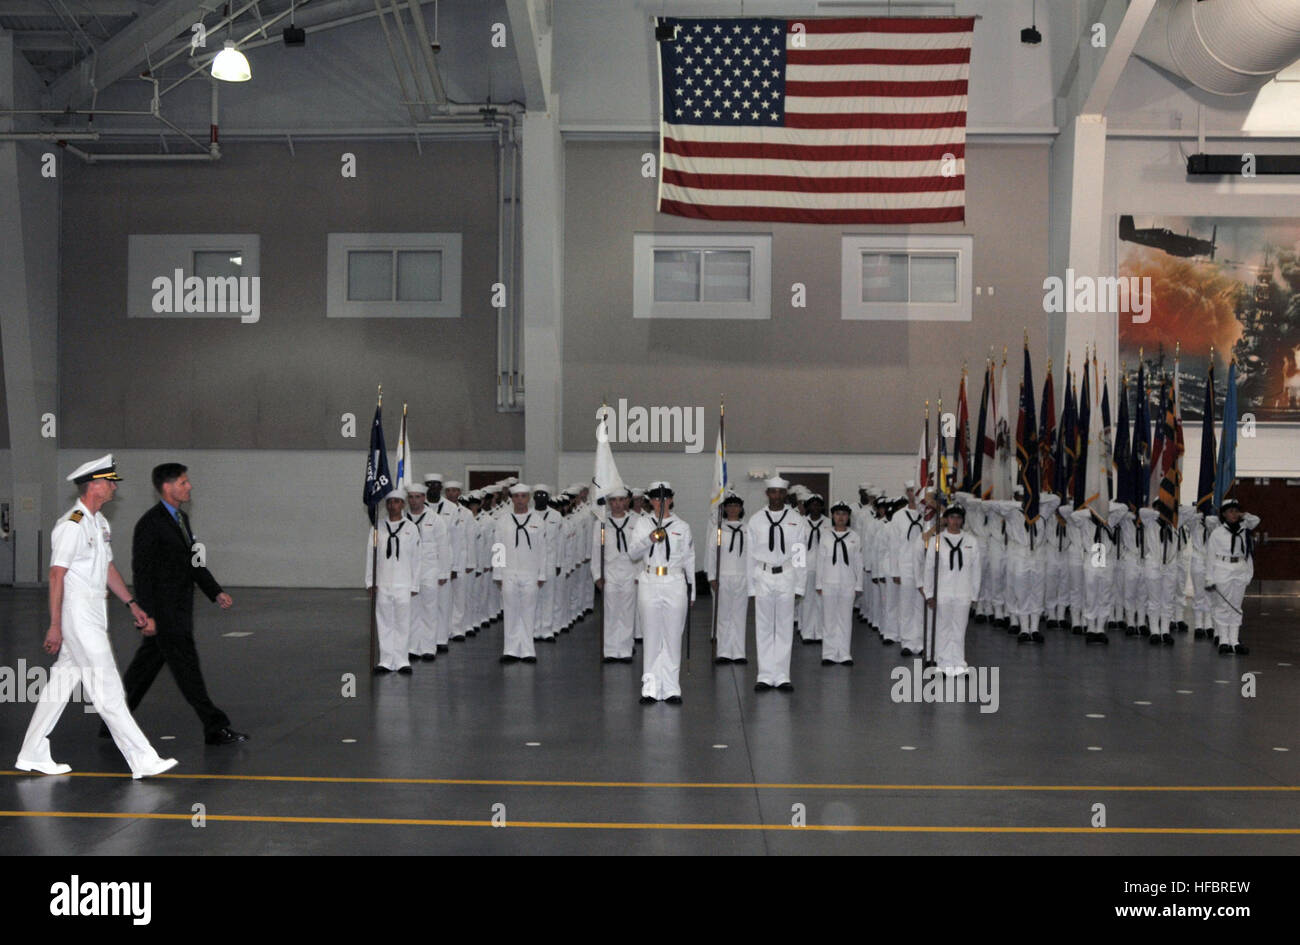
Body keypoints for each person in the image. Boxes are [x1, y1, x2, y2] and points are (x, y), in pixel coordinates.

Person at [17, 455, 178, 779]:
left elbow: (106, 568)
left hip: (93, 611)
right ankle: (142, 758)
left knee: (60, 684)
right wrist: (54, 624)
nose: (114, 486)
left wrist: (132, 603)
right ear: (94, 485)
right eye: (110, 481)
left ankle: (32, 751)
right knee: (108, 689)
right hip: (77, 614)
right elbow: (56, 575)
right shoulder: (71, 525)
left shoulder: (99, 522)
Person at [119, 461, 247, 745]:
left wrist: (215, 591)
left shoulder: (181, 519)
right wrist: (148, 614)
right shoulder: (150, 524)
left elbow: (194, 562)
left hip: (179, 608)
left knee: (144, 669)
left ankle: (112, 720)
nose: (189, 487)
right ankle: (214, 725)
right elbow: (142, 572)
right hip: (166, 614)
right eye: (183, 483)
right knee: (188, 670)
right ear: (167, 487)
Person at [627, 482, 695, 703]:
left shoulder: (682, 526)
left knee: (673, 635)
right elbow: (632, 552)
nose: (661, 502)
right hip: (650, 579)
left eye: (665, 498)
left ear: (672, 499)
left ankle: (672, 687)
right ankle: (651, 687)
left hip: (674, 580)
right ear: (650, 501)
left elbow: (689, 559)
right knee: (652, 636)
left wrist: (692, 590)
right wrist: (650, 538)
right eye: (656, 498)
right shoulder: (642, 523)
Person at [747, 476, 806, 692]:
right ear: (767, 494)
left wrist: (800, 585)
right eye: (773, 492)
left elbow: (800, 555)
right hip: (762, 575)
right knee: (763, 627)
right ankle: (764, 674)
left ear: (785, 494)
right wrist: (751, 587)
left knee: (783, 627)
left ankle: (781, 675)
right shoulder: (755, 520)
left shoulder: (796, 520)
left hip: (787, 575)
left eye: (780, 492)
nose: (777, 496)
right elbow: (749, 557)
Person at [922, 503, 981, 676]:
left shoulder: (971, 541)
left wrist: (974, 594)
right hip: (943, 592)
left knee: (959, 629)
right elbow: (929, 569)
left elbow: (976, 570)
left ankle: (959, 664)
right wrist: (930, 593)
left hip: (963, 592)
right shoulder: (936, 540)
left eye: (958, 517)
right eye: (952, 517)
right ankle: (942, 664)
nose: (955, 521)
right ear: (946, 519)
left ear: (962, 520)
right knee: (943, 628)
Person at [365, 487, 420, 674]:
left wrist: (415, 584)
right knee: (385, 622)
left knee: (403, 622)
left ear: (403, 504)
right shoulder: (377, 527)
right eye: (389, 502)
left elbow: (416, 558)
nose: (392, 505)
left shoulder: (411, 529)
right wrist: (370, 581)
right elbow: (370, 557)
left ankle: (402, 659)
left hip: (403, 583)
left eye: (396, 502)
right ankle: (386, 660)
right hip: (383, 582)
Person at [493, 484, 546, 663]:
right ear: (512, 498)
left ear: (528, 498)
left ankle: (528, 650)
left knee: (529, 611)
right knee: (510, 611)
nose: (520, 500)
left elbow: (543, 549)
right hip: (508, 572)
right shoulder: (503, 520)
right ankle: (510, 649)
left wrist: (542, 574)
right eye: (517, 497)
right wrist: (497, 574)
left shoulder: (537, 520)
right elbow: (498, 547)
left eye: (524, 496)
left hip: (530, 572)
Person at [1205, 498, 1259, 655]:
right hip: (1222, 569)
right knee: (1223, 606)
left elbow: (1256, 520)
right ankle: (1223, 640)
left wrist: (1244, 515)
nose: (1234, 514)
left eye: (1236, 511)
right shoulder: (1217, 533)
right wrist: (1210, 578)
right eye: (1230, 511)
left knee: (1236, 607)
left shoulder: (1244, 529)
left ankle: (1234, 641)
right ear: (1223, 514)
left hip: (1239, 569)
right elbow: (1210, 556)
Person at [592, 486, 639, 662]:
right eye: (613, 501)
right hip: (609, 572)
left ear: (626, 501)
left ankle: (625, 650)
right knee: (611, 613)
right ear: (609, 503)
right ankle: (611, 650)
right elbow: (596, 550)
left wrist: (638, 574)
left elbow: (641, 551)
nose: (617, 504)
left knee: (627, 613)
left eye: (620, 500)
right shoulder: (601, 524)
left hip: (629, 571)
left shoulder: (636, 522)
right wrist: (597, 574)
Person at [405, 482, 449, 661]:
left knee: (430, 609)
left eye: (417, 497)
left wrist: (443, 573)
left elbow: (444, 547)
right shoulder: (403, 518)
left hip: (430, 570)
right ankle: (413, 647)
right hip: (409, 571)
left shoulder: (435, 519)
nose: (414, 501)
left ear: (423, 498)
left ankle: (429, 647)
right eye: (411, 497)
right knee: (412, 610)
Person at [706, 491, 750, 663]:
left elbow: (752, 554)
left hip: (742, 576)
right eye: (730, 506)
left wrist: (752, 577)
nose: (733, 509)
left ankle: (738, 652)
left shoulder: (747, 530)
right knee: (723, 615)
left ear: (741, 508)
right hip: (723, 576)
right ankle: (723, 651)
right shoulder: (718, 531)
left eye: (736, 506)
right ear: (724, 509)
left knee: (739, 615)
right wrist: (711, 576)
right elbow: (711, 553)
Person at [817, 500, 862, 666]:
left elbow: (858, 562)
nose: (841, 517)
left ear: (848, 517)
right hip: (828, 582)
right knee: (828, 619)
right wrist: (819, 584)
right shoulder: (825, 535)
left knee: (845, 619)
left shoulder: (854, 537)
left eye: (844, 514)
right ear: (833, 516)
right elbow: (820, 561)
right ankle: (828, 653)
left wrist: (858, 585)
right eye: (837, 514)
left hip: (848, 583)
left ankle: (844, 653)